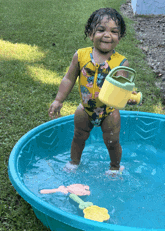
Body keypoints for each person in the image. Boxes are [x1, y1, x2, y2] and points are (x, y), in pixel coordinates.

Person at [48, 8, 138, 172]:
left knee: (112, 143)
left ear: (119, 37)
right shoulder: (81, 55)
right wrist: (58, 100)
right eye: (101, 30)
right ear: (90, 34)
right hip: (85, 109)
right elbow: (68, 78)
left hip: (109, 111)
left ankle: (115, 167)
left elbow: (123, 88)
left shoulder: (121, 63)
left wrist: (129, 97)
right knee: (78, 137)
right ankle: (74, 163)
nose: (107, 35)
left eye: (114, 31)